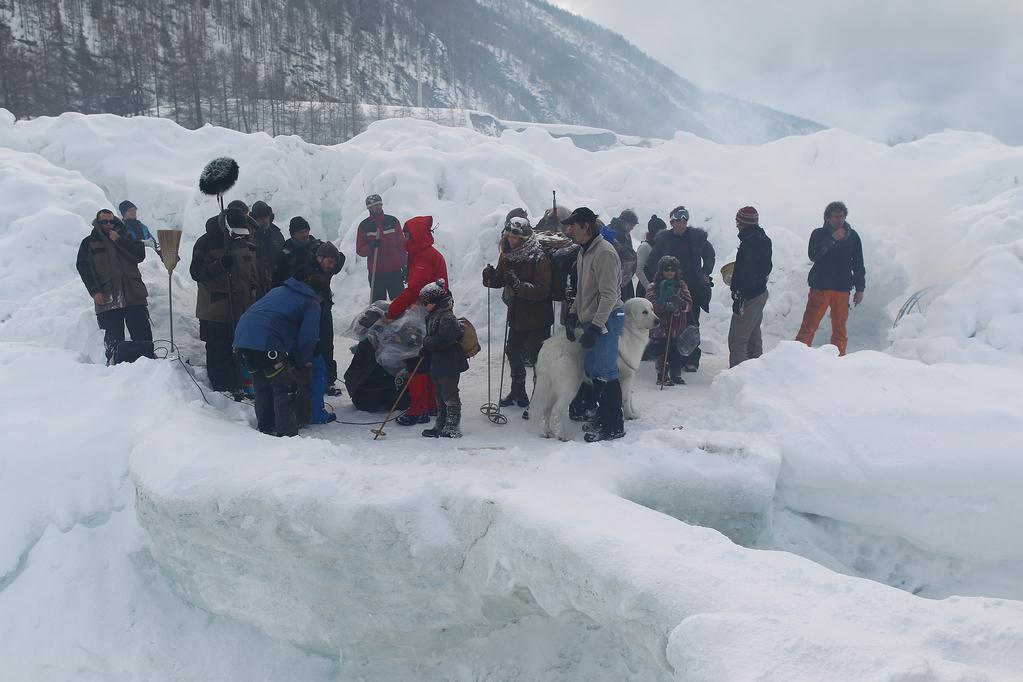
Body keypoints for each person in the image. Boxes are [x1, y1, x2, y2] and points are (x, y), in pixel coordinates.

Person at [233, 275, 328, 437]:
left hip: (243, 337)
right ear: (319, 295)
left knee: (262, 385)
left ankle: (265, 427)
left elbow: (275, 318)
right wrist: (298, 362)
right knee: (285, 387)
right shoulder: (311, 303)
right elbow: (308, 339)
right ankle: (287, 435)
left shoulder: (281, 290)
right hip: (265, 340)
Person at [562, 207, 625, 443]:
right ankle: (602, 415)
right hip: (593, 318)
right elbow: (582, 290)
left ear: (585, 226)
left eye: (573, 226)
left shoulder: (604, 253)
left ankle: (613, 426)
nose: (570, 230)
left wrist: (597, 327)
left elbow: (609, 295)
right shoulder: (584, 252)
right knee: (594, 371)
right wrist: (573, 314)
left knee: (607, 373)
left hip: (607, 318)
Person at [190, 206, 264, 395]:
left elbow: (251, 271)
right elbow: (196, 272)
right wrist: (219, 265)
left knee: (238, 350)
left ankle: (239, 385)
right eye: (236, 234)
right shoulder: (206, 242)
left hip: (242, 307)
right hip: (216, 309)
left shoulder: (244, 241)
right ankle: (222, 390)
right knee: (218, 351)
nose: (240, 237)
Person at [482, 214, 554, 409]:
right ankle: (518, 392)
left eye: (515, 238)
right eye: (509, 237)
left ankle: (539, 399)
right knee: (512, 350)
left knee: (538, 359)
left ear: (523, 238)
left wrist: (518, 285)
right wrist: (490, 277)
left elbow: (542, 290)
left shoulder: (538, 256)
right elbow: (500, 279)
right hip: (518, 314)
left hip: (538, 316)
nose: (511, 241)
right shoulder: (507, 253)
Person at [387, 216, 448, 426]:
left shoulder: (424, 256)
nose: (404, 238)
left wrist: (393, 310)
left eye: (407, 235)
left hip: (425, 314)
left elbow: (415, 289)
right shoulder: (423, 253)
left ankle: (418, 409)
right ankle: (431, 404)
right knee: (426, 360)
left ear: (417, 235)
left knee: (416, 360)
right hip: (431, 312)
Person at [643, 206, 715, 373]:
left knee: (691, 323)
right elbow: (652, 261)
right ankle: (671, 359)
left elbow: (709, 254)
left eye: (684, 221)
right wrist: (661, 278)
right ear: (672, 222)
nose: (681, 225)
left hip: (693, 288)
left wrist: (706, 272)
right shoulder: (664, 240)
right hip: (669, 290)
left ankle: (691, 359)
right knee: (671, 324)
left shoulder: (697, 238)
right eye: (678, 222)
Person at [76, 209, 153, 362]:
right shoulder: (89, 242)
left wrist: (119, 240)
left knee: (143, 337)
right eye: (104, 221)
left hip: (133, 295)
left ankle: (148, 366)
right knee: (113, 342)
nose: (108, 224)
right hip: (107, 298)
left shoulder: (126, 236)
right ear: (98, 223)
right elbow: (83, 267)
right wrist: (94, 291)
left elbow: (139, 255)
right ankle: (114, 370)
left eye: (111, 221)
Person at [795, 201, 866, 356]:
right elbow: (814, 255)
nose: (839, 220)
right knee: (809, 325)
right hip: (821, 287)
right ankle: (798, 356)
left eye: (841, 216)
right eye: (835, 216)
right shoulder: (819, 234)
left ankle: (839, 358)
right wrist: (832, 239)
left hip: (842, 289)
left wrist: (860, 289)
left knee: (840, 327)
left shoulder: (852, 237)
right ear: (827, 218)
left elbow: (858, 264)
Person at [418, 281, 469, 438]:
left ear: (434, 302)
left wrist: (426, 343)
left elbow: (442, 341)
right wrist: (426, 350)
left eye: (426, 303)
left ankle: (452, 426)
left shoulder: (447, 317)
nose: (424, 306)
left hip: (449, 363)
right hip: (438, 363)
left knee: (450, 394)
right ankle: (440, 424)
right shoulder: (434, 315)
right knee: (439, 395)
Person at [728, 206, 773, 368]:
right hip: (758, 293)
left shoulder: (751, 243)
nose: (736, 225)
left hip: (749, 296)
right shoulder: (760, 239)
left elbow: (749, 272)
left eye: (738, 221)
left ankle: (738, 377)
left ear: (744, 223)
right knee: (753, 336)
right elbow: (765, 268)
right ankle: (756, 374)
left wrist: (740, 292)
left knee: (737, 339)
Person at [646, 255, 693, 385]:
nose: (669, 272)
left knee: (675, 350)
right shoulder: (653, 286)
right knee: (660, 351)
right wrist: (664, 306)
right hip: (660, 326)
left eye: (672, 270)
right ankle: (662, 375)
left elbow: (689, 304)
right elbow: (650, 304)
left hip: (676, 325)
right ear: (661, 270)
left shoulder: (681, 285)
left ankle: (676, 373)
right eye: (666, 269)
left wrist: (681, 304)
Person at [356, 194, 405, 301]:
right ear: (369, 208)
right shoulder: (365, 226)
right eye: (375, 205)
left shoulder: (392, 221)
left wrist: (404, 265)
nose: (378, 207)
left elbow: (402, 245)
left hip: (394, 271)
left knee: (399, 303)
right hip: (376, 273)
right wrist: (371, 246)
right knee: (378, 305)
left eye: (380, 204)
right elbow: (360, 250)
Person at [249, 201, 286, 292]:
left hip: (277, 281)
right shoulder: (249, 237)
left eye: (266, 217)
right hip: (257, 285)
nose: (264, 220)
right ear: (254, 219)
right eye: (261, 218)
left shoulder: (277, 234)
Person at [606, 209, 639, 300]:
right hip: (618, 276)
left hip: (620, 276)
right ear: (626, 222)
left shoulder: (618, 231)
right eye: (632, 225)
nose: (632, 228)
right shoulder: (618, 233)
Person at [636, 214, 666, 299]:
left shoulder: (661, 246)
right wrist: (648, 286)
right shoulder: (645, 246)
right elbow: (638, 269)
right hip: (645, 288)